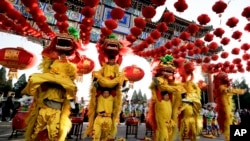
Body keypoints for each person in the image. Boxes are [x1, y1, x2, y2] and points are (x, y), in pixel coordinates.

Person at [21, 27, 82, 141]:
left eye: (65, 54)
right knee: (35, 132)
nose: (62, 55)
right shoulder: (52, 62)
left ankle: (70, 100)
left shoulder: (70, 66)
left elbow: (70, 82)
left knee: (53, 134)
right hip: (44, 105)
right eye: (61, 53)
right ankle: (27, 93)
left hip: (57, 107)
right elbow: (46, 72)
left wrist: (61, 82)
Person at [213, 73, 245, 141]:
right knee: (227, 124)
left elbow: (229, 91)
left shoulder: (223, 87)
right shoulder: (221, 87)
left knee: (229, 123)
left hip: (227, 108)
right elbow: (228, 90)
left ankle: (229, 137)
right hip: (224, 108)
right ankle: (228, 137)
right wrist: (239, 91)